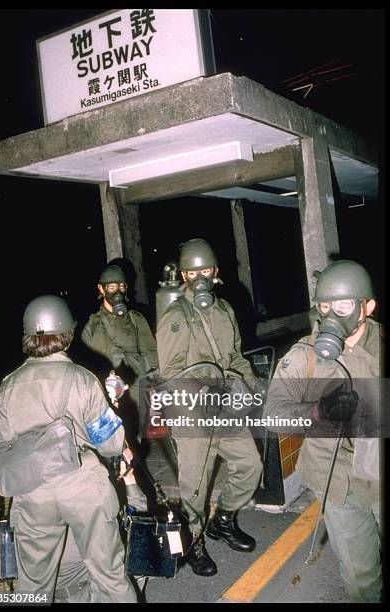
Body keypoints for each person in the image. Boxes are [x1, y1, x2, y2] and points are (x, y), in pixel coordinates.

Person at [0, 295, 137, 603]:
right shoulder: (83, 379)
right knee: (108, 574)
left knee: (33, 586)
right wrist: (111, 406)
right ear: (69, 334)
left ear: (28, 336)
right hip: (82, 485)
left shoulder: (8, 386)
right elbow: (110, 445)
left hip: (32, 491)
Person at [263, 259, 383, 603]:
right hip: (339, 482)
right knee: (363, 580)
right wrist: (318, 411)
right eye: (326, 305)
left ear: (367, 306)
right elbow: (273, 415)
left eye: (344, 305)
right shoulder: (305, 356)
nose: (333, 315)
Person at [156, 238, 263, 577]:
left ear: (215, 271)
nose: (199, 277)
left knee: (250, 465)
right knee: (195, 487)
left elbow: (234, 356)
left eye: (205, 270)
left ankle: (224, 520)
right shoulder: (176, 316)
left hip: (226, 408)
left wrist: (253, 384)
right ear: (184, 275)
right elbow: (170, 373)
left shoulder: (224, 310)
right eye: (191, 272)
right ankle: (194, 542)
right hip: (193, 413)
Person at [54, 448, 147, 603]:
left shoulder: (58, 495)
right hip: (78, 595)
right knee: (137, 557)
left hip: (71, 582)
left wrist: (129, 480)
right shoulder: (88, 513)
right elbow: (138, 533)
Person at [82, 264, 158, 438]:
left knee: (135, 441)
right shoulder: (93, 325)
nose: (117, 291)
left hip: (136, 393)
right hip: (107, 396)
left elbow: (153, 355)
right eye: (112, 286)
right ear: (101, 289)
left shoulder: (135, 319)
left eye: (121, 286)